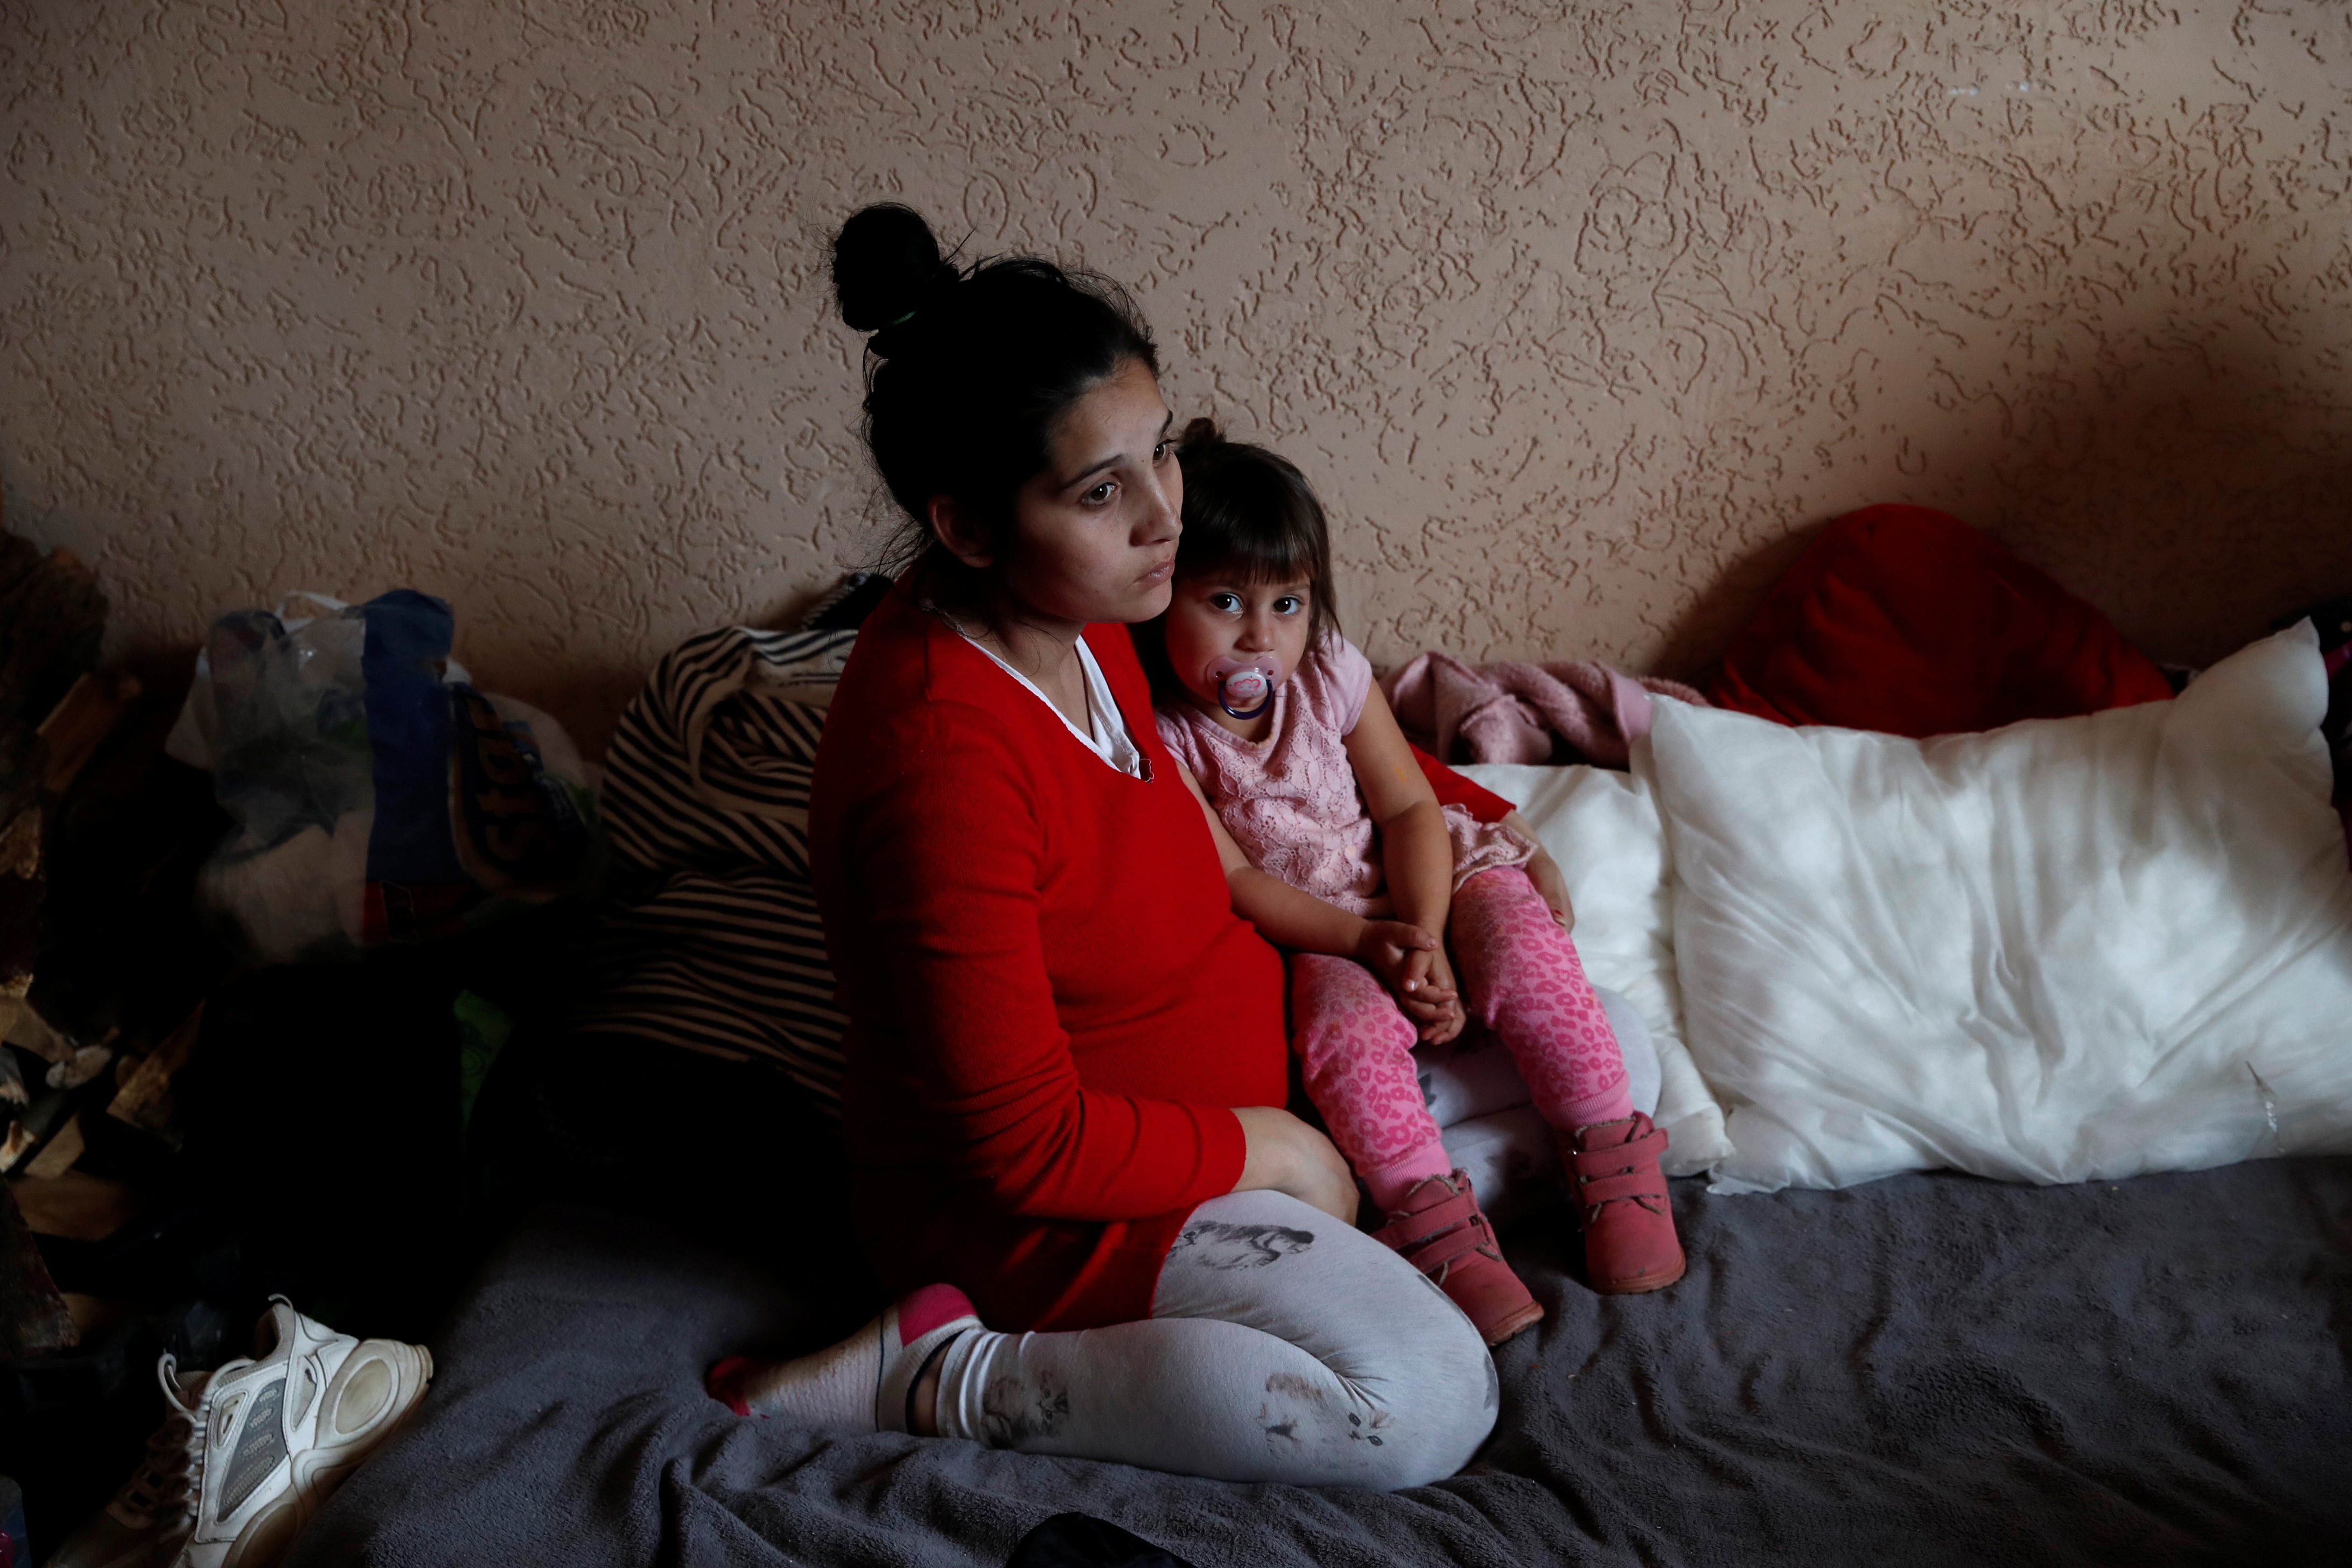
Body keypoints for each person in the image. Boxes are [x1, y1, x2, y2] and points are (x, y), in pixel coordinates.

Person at [704, 205, 1496, 1489]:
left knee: (1580, 1058)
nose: (1165, 520)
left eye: (1161, 452)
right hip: (1050, 1214)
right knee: (1424, 1401)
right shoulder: (941, 762)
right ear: (966, 528)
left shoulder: (1089, 612)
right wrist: (1276, 1150)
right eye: (1100, 489)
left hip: (1230, 1100)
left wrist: (1485, 822)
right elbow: (1021, 1147)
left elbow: (1317, 716)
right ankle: (942, 1370)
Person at [1135, 419, 1685, 1346]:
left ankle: (1614, 1161)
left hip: (1428, 877)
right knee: (1340, 1036)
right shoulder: (1164, 734)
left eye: (1288, 603)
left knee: (1531, 959)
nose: (1259, 638)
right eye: (1224, 601)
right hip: (1321, 922)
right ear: (1160, 600)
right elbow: (1232, 879)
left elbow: (1408, 809)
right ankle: (1437, 1230)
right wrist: (1363, 946)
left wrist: (1425, 932)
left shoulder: (1331, 673)